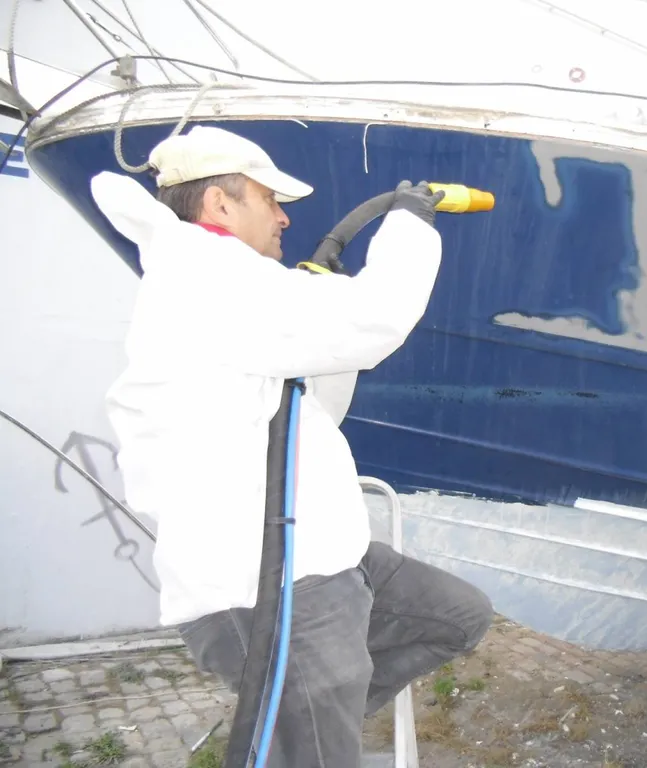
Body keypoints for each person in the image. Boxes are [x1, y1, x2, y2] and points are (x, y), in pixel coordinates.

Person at [89, 125, 493, 766]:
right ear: (220, 204)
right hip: (266, 582)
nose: (283, 217)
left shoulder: (236, 287)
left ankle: (303, 723)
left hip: (325, 556)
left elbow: (316, 410)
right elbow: (376, 319)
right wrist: (410, 225)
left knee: (456, 615)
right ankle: (304, 729)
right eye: (269, 199)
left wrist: (320, 300)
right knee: (316, 742)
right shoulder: (206, 280)